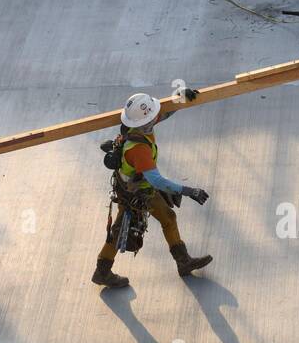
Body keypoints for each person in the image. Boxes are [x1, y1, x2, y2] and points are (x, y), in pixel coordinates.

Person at [91, 93, 213, 288]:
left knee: (168, 218)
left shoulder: (136, 127)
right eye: (153, 116)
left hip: (140, 190)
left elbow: (163, 114)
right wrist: (189, 191)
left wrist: (181, 97)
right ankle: (102, 271)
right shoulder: (139, 149)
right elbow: (156, 181)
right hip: (136, 196)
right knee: (120, 233)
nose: (157, 117)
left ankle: (183, 262)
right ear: (146, 122)